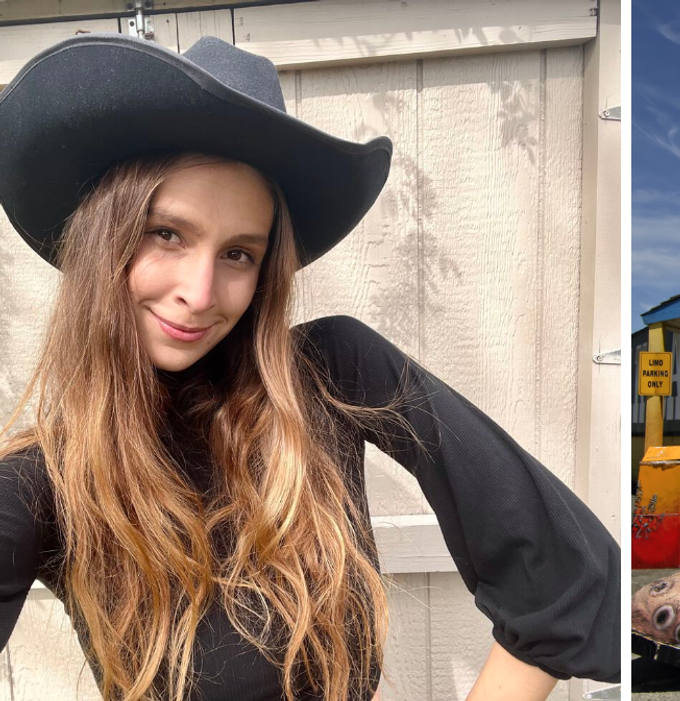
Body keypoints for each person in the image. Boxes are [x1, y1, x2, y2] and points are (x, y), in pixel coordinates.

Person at [0, 33, 619, 701]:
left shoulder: (331, 374)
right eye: (167, 233)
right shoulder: (46, 480)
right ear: (105, 236)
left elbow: (565, 572)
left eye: (238, 254)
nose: (200, 293)